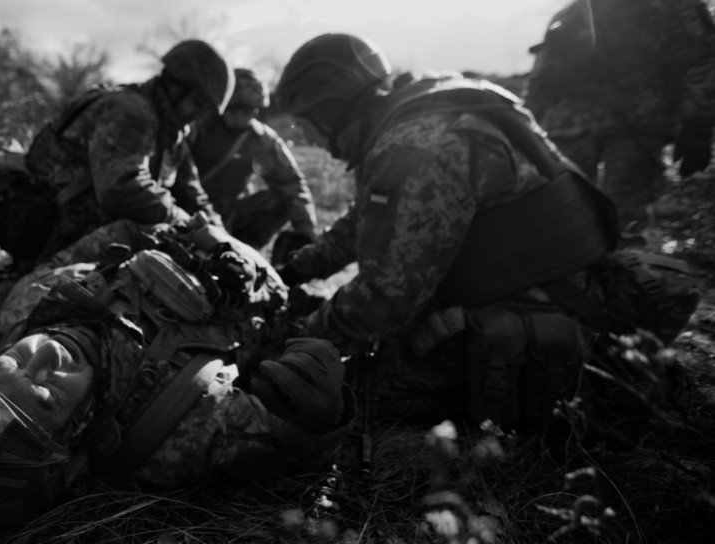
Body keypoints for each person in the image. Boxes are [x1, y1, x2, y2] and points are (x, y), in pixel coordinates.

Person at [271, 33, 699, 431]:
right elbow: (365, 222)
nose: (313, 140)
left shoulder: (410, 145)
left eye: (308, 124)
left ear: (333, 107)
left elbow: (385, 297)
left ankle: (615, 383)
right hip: (564, 287)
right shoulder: (432, 106)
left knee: (362, 386)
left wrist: (299, 339)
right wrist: (295, 270)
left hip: (544, 305)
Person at [0, 215, 352, 527]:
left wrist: (153, 226)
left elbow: (93, 245)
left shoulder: (25, 306)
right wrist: (324, 410)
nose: (48, 357)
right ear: (78, 436)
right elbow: (296, 445)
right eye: (48, 395)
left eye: (11, 362)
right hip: (270, 297)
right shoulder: (176, 429)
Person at [0, 39, 234, 269]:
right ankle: (47, 274)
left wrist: (222, 239)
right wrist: (185, 223)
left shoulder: (172, 133)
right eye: (197, 104)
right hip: (48, 226)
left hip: (78, 225)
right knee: (149, 231)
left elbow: (193, 194)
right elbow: (121, 188)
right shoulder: (130, 112)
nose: (197, 116)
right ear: (177, 87)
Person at [523, 0, 715, 229]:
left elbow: (699, 62)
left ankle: (616, 261)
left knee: (622, 219)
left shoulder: (673, 8)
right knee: (561, 214)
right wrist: (524, 130)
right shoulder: (574, 13)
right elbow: (543, 77)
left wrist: (698, 123)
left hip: (634, 130)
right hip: (575, 129)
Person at [188, 67, 319, 249]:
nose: (241, 118)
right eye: (234, 110)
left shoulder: (261, 139)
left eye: (248, 111)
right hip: (188, 207)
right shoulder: (197, 127)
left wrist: (306, 234)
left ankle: (243, 251)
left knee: (281, 199)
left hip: (232, 214)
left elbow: (292, 184)